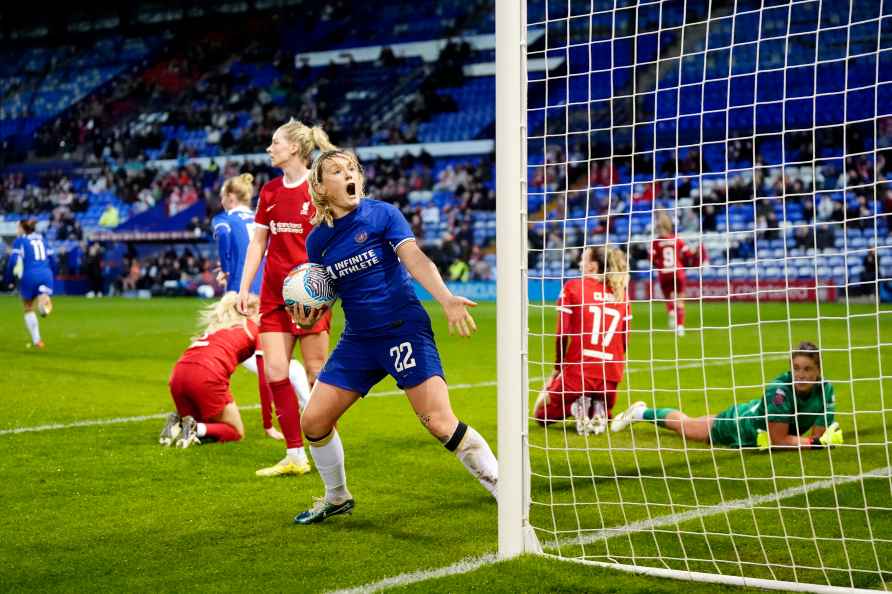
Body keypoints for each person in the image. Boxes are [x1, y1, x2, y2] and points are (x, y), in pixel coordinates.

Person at [290, 150, 497, 524]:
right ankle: (337, 497)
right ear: (320, 187)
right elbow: (327, 295)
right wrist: (308, 316)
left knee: (438, 422)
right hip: (359, 340)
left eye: (352, 168)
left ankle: (505, 488)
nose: (349, 174)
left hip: (402, 328)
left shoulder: (382, 214)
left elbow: (414, 258)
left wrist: (446, 298)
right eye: (337, 171)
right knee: (314, 422)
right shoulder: (317, 241)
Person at [237, 119, 336, 477]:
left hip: (310, 298)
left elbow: (337, 240)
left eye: (275, 142)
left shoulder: (321, 188)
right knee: (276, 372)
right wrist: (245, 287)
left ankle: (328, 453)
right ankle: (295, 455)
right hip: (274, 297)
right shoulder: (269, 192)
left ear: (294, 148)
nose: (269, 148)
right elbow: (258, 243)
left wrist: (330, 284)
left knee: (316, 375)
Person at [214, 172, 312, 441]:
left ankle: (286, 409)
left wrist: (225, 269)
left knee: (242, 353)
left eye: (223, 196)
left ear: (230, 197)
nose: (221, 201)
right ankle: (298, 393)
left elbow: (224, 241)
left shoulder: (224, 220)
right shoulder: (258, 215)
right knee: (257, 354)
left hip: (241, 295)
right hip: (269, 289)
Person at [611, 341, 843, 450]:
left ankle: (640, 411)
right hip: (740, 425)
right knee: (689, 428)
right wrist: (815, 444)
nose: (800, 375)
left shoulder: (826, 389)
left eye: (807, 369)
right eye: (796, 368)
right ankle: (640, 412)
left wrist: (816, 441)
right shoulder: (779, 391)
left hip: (753, 416)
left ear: (818, 371)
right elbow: (779, 440)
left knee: (693, 422)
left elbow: (818, 435)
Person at [533, 246, 631, 435]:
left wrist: (558, 367)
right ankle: (598, 406)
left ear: (592, 267)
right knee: (606, 412)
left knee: (541, 415)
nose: (580, 263)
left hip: (578, 373)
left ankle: (576, 406)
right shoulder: (621, 294)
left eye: (583, 260)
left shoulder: (573, 286)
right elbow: (625, 340)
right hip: (610, 376)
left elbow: (562, 333)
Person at [161, 292, 265, 448]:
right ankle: (195, 428)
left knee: (207, 423)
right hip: (207, 376)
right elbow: (265, 374)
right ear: (250, 311)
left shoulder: (216, 328)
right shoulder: (253, 329)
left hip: (178, 374)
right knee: (235, 432)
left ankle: (178, 423)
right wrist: (268, 425)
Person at [650, 213, 703, 337]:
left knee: (668, 297)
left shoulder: (655, 242)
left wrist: (659, 266)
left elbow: (652, 259)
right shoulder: (676, 239)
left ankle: (671, 311)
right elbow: (688, 255)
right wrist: (695, 252)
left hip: (664, 273)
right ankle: (680, 327)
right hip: (678, 272)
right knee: (680, 300)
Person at [6, 220, 54, 349]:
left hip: (29, 275)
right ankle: (43, 300)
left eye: (18, 227)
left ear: (23, 229)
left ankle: (37, 340)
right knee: (42, 293)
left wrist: (9, 279)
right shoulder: (43, 240)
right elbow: (52, 258)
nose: (17, 230)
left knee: (28, 307)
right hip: (46, 273)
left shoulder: (20, 241)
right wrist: (51, 272)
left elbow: (13, 261)